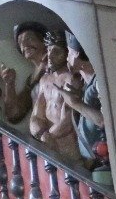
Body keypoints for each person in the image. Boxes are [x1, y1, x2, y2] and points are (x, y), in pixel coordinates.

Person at [29, 30, 81, 161]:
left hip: (68, 146)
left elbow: (68, 121)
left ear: (66, 55)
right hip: (48, 142)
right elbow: (36, 115)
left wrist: (48, 136)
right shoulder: (44, 80)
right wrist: (41, 134)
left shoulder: (72, 79)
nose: (50, 56)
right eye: (49, 50)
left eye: (56, 51)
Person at [57, 31, 107, 163]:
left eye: (69, 53)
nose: (67, 58)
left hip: (104, 159)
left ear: (77, 54)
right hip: (92, 159)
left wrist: (75, 103)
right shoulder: (85, 83)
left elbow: (105, 121)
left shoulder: (100, 82)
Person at [0, 21, 48, 124]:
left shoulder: (59, 69)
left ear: (44, 42)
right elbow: (14, 115)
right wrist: (9, 84)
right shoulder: (31, 79)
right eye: (20, 42)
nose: (24, 45)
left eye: (29, 38)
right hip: (40, 136)